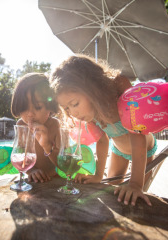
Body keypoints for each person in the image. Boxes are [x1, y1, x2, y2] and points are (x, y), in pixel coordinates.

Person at [50, 54, 157, 206]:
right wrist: (98, 175)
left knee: (136, 197)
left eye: (74, 104)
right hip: (119, 150)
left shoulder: (119, 89)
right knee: (112, 193)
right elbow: (102, 140)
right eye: (66, 108)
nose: (73, 113)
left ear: (91, 89)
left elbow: (137, 132)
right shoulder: (91, 114)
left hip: (144, 149)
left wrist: (135, 183)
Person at [11, 73, 61, 183]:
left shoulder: (55, 125)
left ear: (50, 106)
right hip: (34, 180)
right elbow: (20, 156)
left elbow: (62, 164)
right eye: (24, 107)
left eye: (38, 107)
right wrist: (31, 171)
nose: (30, 114)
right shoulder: (21, 125)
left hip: (56, 180)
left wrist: (47, 145)